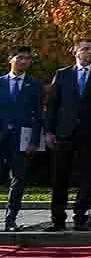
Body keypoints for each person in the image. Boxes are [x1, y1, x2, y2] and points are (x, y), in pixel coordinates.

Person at [44, 38, 91, 230]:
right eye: (85, 49)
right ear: (76, 51)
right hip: (64, 133)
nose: (89, 52)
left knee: (87, 177)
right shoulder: (63, 75)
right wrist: (49, 131)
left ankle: (81, 217)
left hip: (89, 135)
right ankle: (58, 218)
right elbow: (53, 105)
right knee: (60, 177)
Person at [2, 46, 43, 231]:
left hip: (22, 139)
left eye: (27, 58)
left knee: (18, 179)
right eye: (20, 58)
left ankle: (11, 219)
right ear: (11, 59)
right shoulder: (1, 83)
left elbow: (39, 116)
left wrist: (34, 141)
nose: (24, 61)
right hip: (2, 136)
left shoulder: (34, 85)